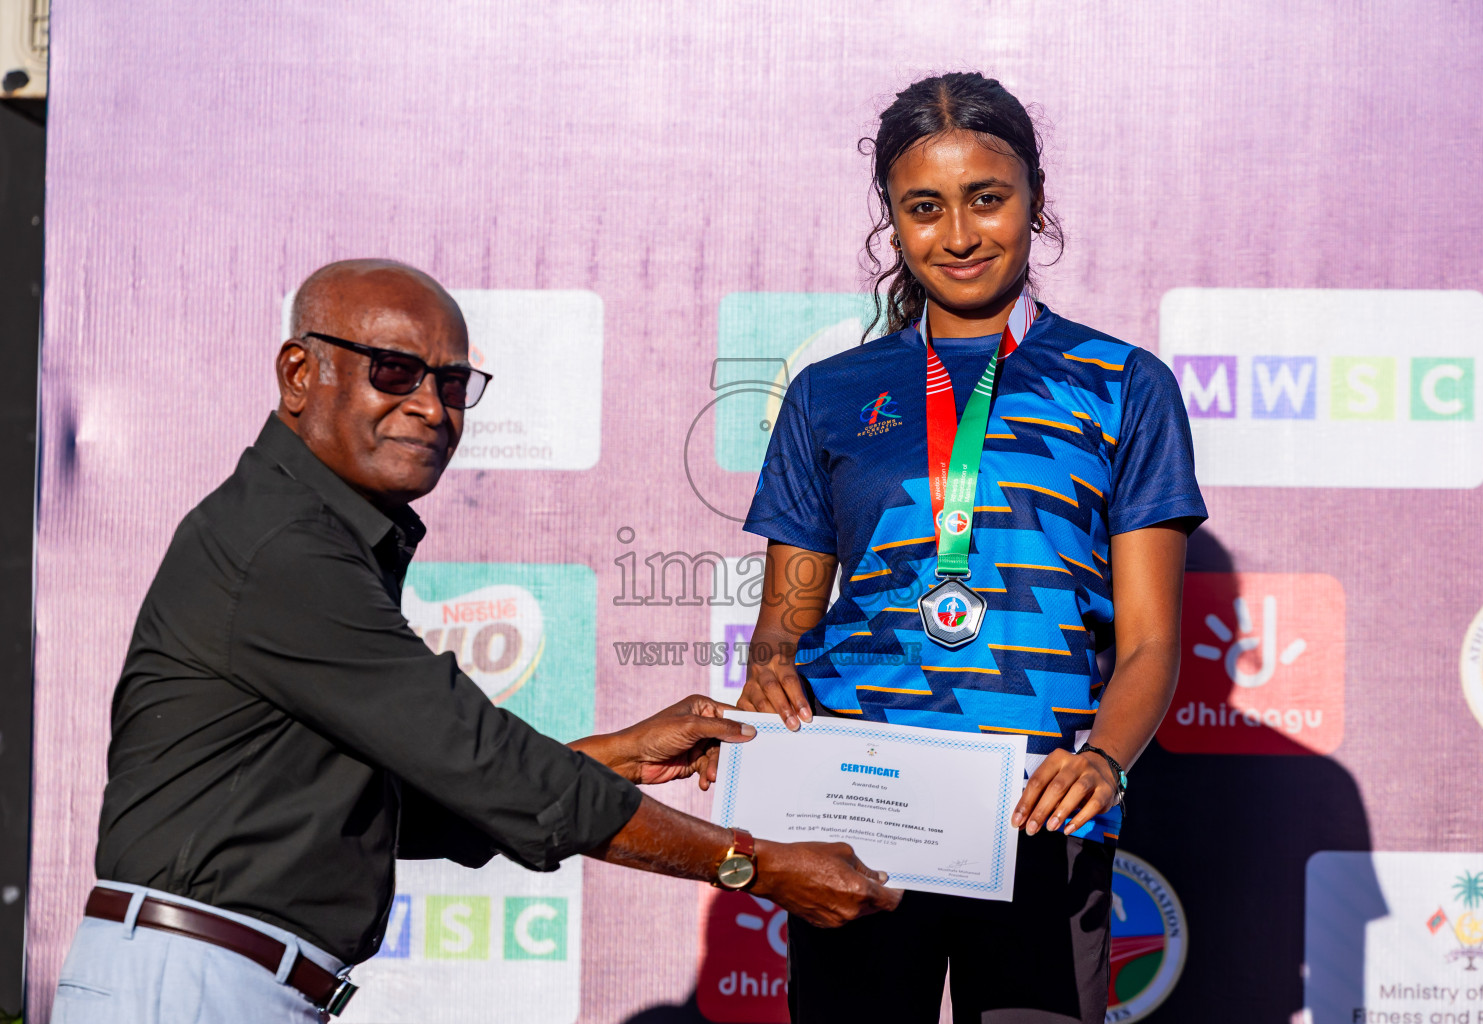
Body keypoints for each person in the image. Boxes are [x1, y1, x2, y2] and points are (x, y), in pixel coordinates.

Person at [50, 259, 899, 1024]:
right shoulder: (284, 547)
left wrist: (619, 752)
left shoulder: (308, 531)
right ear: (299, 373)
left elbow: (400, 804)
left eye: (453, 383)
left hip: (216, 978)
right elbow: (483, 764)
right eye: (395, 371)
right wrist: (751, 865)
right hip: (192, 987)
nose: (430, 405)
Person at [737, 73, 1207, 1023]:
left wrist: (1104, 762)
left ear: (1035, 201)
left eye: (987, 200)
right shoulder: (829, 391)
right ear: (893, 222)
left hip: (1043, 805)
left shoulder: (1124, 384)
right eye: (924, 208)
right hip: (859, 809)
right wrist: (772, 665)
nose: (957, 236)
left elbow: (1153, 642)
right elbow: (783, 622)